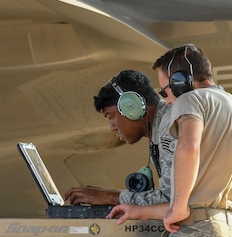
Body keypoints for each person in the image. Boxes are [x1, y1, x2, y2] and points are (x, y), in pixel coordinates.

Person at [110, 44, 232, 237]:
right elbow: (202, 200)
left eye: (165, 91)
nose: (167, 101)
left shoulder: (189, 100)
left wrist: (178, 207)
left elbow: (189, 147)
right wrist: (140, 211)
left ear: (181, 82)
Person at [64, 69, 176, 208]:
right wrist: (109, 195)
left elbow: (171, 199)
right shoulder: (163, 124)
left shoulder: (169, 127)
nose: (111, 127)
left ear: (132, 107)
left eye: (111, 117)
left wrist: (109, 197)